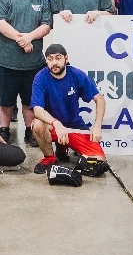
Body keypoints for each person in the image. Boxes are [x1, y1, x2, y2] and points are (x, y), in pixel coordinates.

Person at [0, 0, 53, 147]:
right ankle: (4, 129)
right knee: (6, 101)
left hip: (33, 63)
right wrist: (22, 39)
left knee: (29, 101)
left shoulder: (41, 0)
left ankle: (30, 130)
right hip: (6, 60)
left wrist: (30, 37)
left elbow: (46, 25)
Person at [30, 44, 107, 175]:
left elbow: (100, 99)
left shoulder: (77, 75)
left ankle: (64, 147)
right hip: (52, 127)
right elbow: (37, 109)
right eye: (50, 59)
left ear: (66, 58)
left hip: (74, 126)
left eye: (58, 58)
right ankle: (50, 157)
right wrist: (56, 123)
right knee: (37, 125)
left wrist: (97, 126)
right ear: (46, 60)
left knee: (99, 162)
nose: (54, 62)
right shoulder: (40, 78)